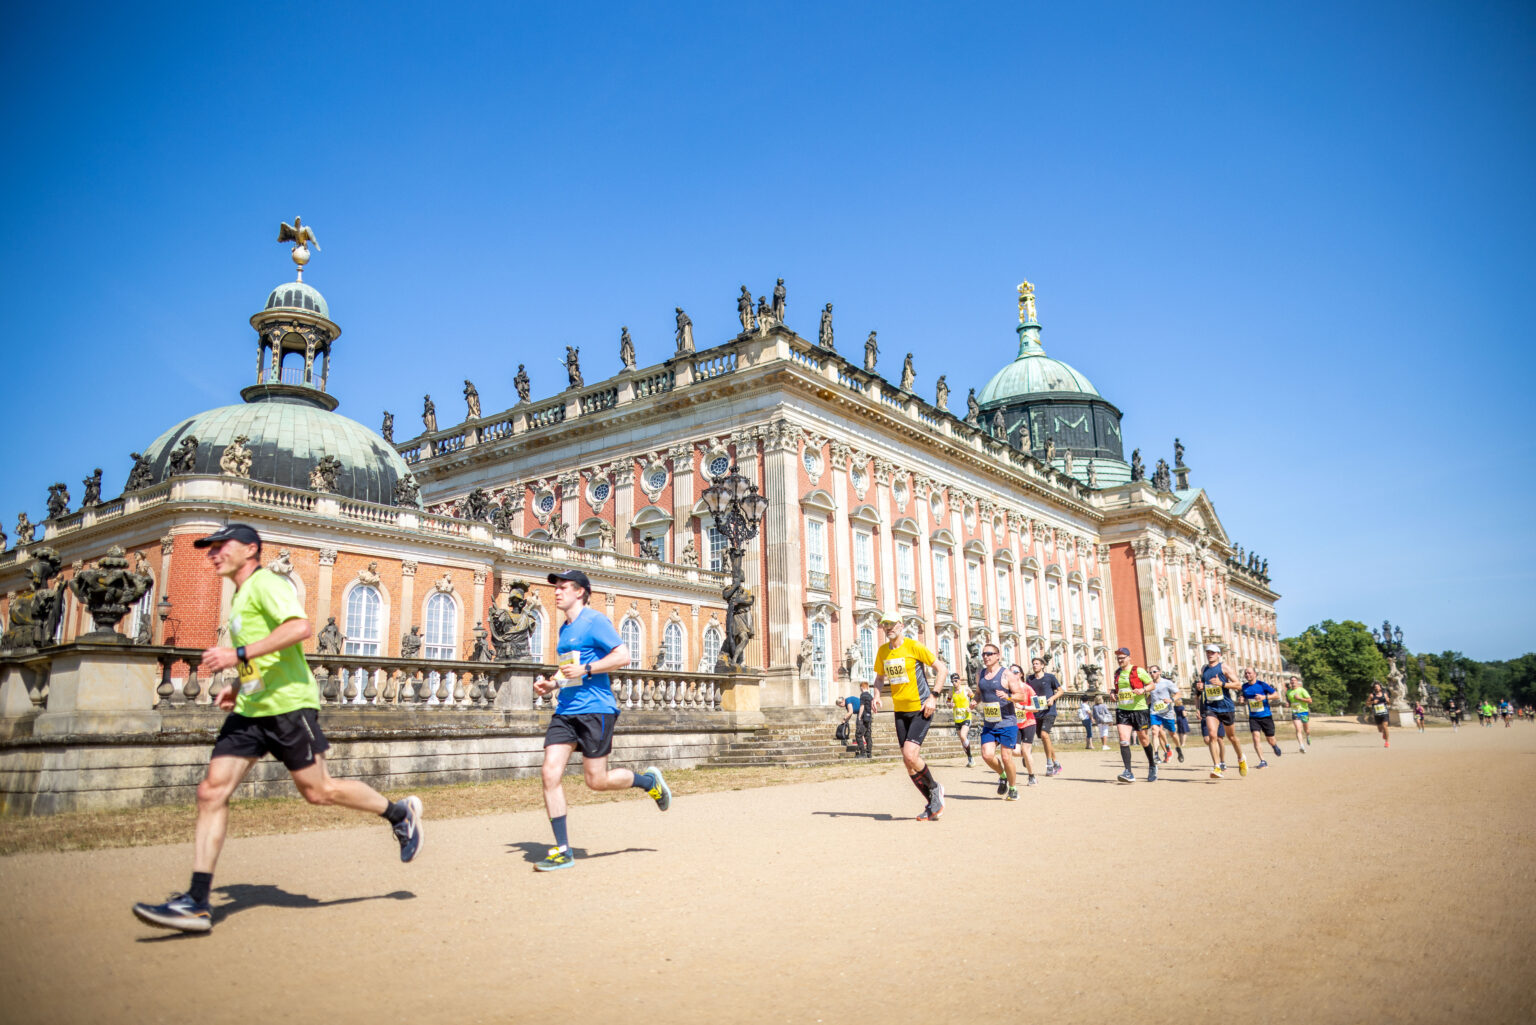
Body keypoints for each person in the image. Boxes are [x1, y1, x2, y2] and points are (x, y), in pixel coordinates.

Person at [131, 524, 423, 933]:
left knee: (319, 792)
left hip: (288, 705)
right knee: (211, 790)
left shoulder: (266, 582)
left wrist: (236, 655)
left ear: (250, 549)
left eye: (221, 546)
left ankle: (398, 813)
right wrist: (238, 685)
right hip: (252, 708)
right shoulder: (239, 599)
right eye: (209, 548)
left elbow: (299, 629)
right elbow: (262, 655)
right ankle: (197, 902)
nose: (213, 553)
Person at [531, 569, 671, 872]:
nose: (557, 592)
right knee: (549, 772)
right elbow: (568, 669)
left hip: (596, 709)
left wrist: (589, 669)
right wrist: (552, 684)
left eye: (563, 587)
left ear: (580, 591)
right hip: (566, 711)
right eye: (556, 587)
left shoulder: (595, 621)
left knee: (597, 781)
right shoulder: (565, 630)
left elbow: (623, 655)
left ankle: (649, 782)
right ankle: (562, 849)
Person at [870, 611, 946, 820]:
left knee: (910, 755)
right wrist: (876, 696)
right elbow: (879, 678)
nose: (888, 628)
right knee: (908, 762)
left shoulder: (914, 647)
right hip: (900, 710)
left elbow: (942, 669)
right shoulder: (883, 651)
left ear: (901, 625)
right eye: (885, 624)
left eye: (892, 624)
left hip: (922, 708)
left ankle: (935, 788)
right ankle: (932, 803)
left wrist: (934, 697)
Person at [974, 644, 1019, 800]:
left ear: (998, 655)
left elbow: (1020, 695)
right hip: (990, 723)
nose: (986, 657)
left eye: (989, 654)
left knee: (1006, 757)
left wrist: (1007, 696)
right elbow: (978, 694)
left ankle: (1013, 788)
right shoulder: (980, 674)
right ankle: (1003, 775)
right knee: (987, 755)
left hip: (1007, 722)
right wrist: (974, 701)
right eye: (984, 654)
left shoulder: (1007, 675)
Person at [1109, 647, 1156, 783]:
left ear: (1129, 658)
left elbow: (1151, 685)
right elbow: (1118, 688)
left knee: (1144, 739)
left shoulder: (1138, 671)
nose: (1120, 660)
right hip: (1123, 709)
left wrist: (1143, 690)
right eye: (1118, 658)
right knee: (1124, 739)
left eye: (1122, 658)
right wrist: (1112, 693)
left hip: (1139, 709)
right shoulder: (1117, 673)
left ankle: (1152, 765)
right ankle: (1128, 772)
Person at [1200, 644, 1247, 779]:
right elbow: (1205, 685)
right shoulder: (1204, 669)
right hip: (1211, 707)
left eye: (1213, 653)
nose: (1210, 655)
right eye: (1208, 652)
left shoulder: (1224, 667)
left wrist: (1222, 684)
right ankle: (1217, 766)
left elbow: (1238, 685)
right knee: (1212, 735)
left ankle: (1240, 758)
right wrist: (1200, 687)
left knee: (1232, 737)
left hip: (1226, 707)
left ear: (1219, 654)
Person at [1026, 656, 1065, 775]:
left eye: (1037, 663)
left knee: (1044, 735)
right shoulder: (1030, 679)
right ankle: (1056, 762)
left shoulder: (1050, 677)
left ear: (1043, 665)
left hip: (1049, 711)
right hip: (1037, 712)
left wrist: (1052, 698)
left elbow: (1061, 691)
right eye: (1033, 663)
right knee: (1044, 738)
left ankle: (1049, 764)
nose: (1035, 665)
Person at [1006, 664, 1041, 786]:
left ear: (1021, 674)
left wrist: (1023, 707)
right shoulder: (1008, 690)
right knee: (1015, 751)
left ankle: (1032, 777)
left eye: (1015, 672)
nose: (1013, 674)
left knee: (1025, 750)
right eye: (1010, 672)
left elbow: (1038, 707)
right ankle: (1027, 756)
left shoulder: (1028, 689)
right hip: (1015, 724)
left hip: (1029, 723)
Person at [1240, 667, 1281, 767]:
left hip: (1266, 716)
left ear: (1255, 674)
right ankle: (1262, 761)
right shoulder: (1244, 687)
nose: (1247, 675)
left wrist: (1264, 697)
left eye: (1249, 673)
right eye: (1246, 673)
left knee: (1270, 739)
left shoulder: (1262, 685)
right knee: (1255, 737)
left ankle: (1274, 745)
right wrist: (1242, 699)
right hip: (1253, 717)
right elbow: (1245, 699)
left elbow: (1276, 695)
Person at [1148, 664, 1183, 763]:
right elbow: (1151, 697)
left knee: (1172, 733)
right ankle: (1156, 755)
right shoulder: (1150, 685)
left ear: (1159, 672)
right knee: (1155, 731)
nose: (1152, 674)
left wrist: (1171, 700)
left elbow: (1178, 693)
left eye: (1154, 672)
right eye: (1150, 672)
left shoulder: (1167, 683)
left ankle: (1178, 749)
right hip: (1155, 711)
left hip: (1167, 712)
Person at [950, 672, 974, 767]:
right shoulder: (951, 691)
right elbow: (947, 701)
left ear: (959, 680)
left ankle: (971, 758)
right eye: (952, 681)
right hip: (957, 719)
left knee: (964, 736)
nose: (954, 683)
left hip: (966, 717)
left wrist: (970, 707)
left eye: (956, 681)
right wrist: (950, 704)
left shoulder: (966, 689)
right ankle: (970, 758)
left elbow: (973, 699)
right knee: (962, 741)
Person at [1285, 676, 1313, 751]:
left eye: (1294, 680)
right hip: (1295, 712)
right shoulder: (1288, 692)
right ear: (1290, 682)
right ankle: (1301, 746)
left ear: (1297, 682)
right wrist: (1288, 703)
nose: (1293, 682)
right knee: (1298, 729)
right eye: (1291, 680)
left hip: (1304, 712)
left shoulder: (1302, 690)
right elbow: (1288, 700)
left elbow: (1310, 700)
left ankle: (1307, 735)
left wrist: (1300, 698)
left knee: (1306, 729)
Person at [1365, 681, 1392, 748]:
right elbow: (1366, 703)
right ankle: (1383, 733)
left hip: (1385, 713)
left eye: (1378, 687)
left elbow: (1389, 703)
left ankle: (1387, 742)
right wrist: (1372, 702)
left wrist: (1388, 701)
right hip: (1377, 714)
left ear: (1380, 687)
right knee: (1380, 730)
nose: (1376, 688)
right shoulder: (1372, 695)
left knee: (1385, 726)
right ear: (1374, 688)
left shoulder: (1384, 694)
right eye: (1375, 687)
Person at [855, 679, 875, 758]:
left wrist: (859, 716)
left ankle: (862, 753)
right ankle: (869, 753)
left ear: (862, 688)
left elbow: (862, 706)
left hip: (863, 717)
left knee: (858, 735)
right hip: (869, 717)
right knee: (868, 735)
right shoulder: (870, 696)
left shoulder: (863, 695)